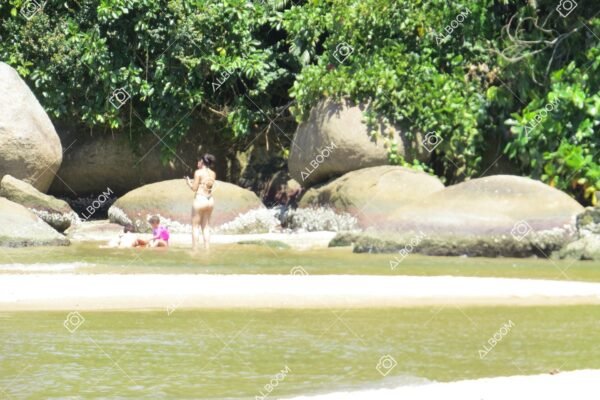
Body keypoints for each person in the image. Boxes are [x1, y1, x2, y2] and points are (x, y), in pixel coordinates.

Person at [185, 153, 216, 250]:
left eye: (199, 160)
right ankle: (207, 250)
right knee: (206, 227)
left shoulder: (198, 172)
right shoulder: (213, 173)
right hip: (210, 200)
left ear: (202, 161)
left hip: (200, 199)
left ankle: (195, 251)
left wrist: (188, 183)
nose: (197, 162)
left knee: (195, 227)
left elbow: (194, 188)